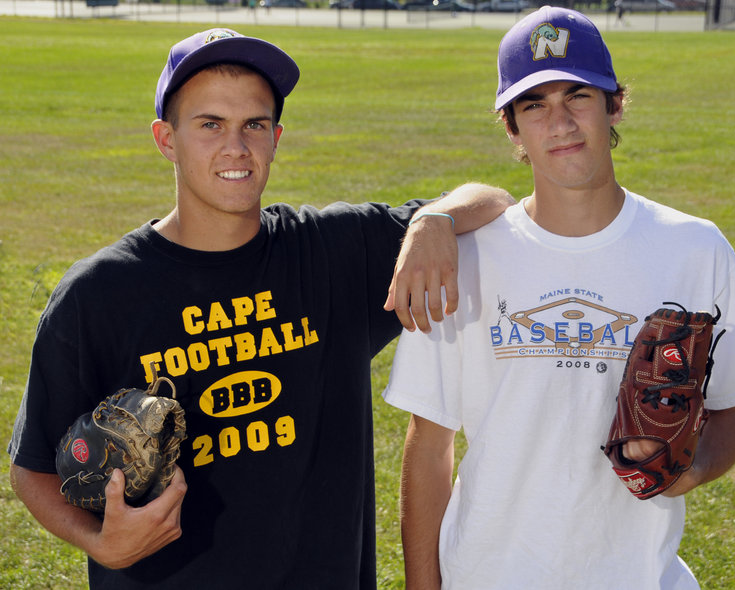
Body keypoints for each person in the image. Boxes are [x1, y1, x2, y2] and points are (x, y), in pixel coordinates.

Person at [7, 28, 513, 589]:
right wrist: (100, 541)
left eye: (254, 124)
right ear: (165, 138)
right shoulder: (98, 294)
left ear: (276, 136)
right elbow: (32, 469)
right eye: (210, 125)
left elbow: (496, 202)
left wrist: (433, 220)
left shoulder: (333, 253)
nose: (236, 148)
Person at [382, 7, 735, 589]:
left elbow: (729, 411)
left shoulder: (694, 248)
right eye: (534, 105)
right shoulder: (465, 260)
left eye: (578, 96)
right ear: (512, 128)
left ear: (614, 104)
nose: (560, 123)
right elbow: (429, 448)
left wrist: (688, 472)